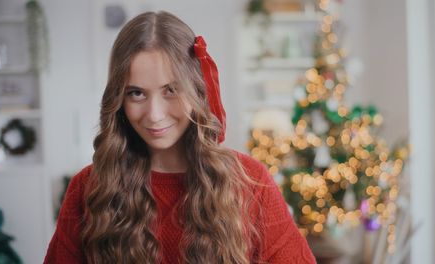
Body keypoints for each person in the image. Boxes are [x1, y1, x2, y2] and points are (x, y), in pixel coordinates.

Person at [44, 11, 316, 264]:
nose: (154, 114)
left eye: (170, 90)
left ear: (196, 90)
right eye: (136, 93)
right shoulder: (88, 188)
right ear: (118, 100)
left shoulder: (249, 182)